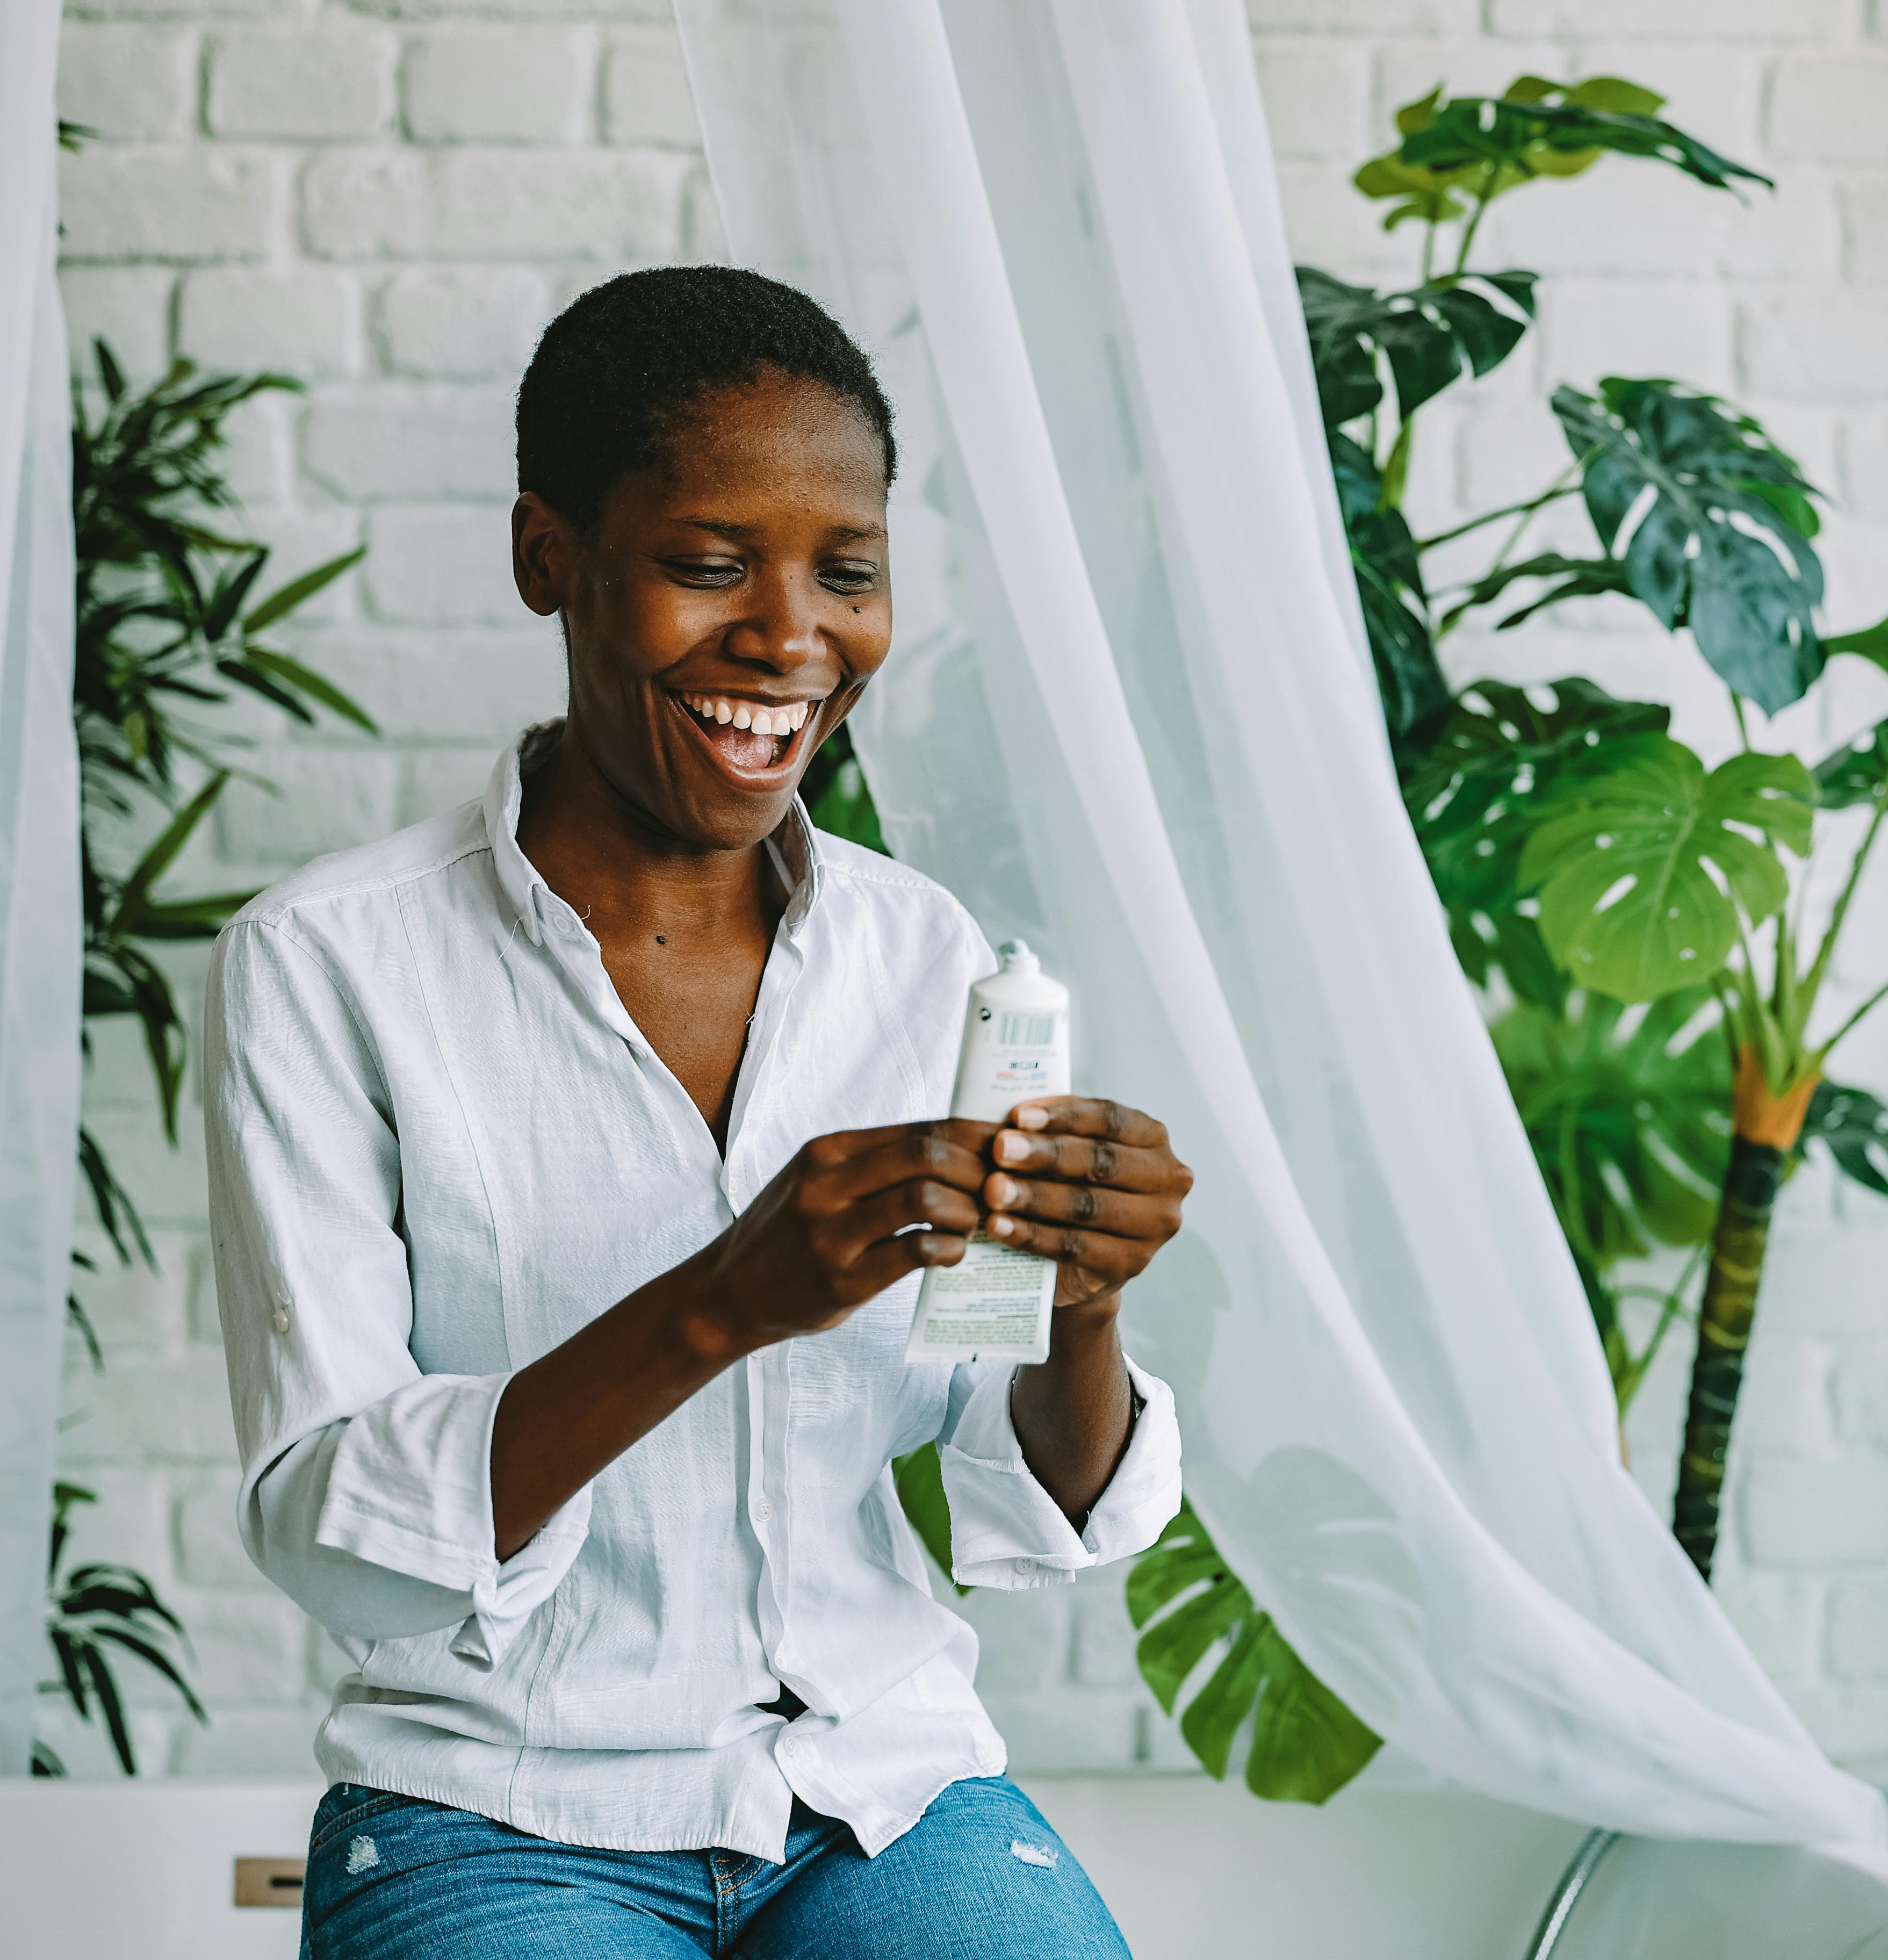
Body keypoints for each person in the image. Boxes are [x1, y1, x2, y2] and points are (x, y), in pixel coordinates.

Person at [204, 266, 1191, 1959]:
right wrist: (721, 1305)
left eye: (848, 573)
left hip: (879, 1792)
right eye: (709, 562)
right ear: (549, 557)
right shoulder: (326, 964)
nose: (791, 639)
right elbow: (330, 1525)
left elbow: (1012, 1480)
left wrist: (1077, 1299)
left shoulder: (925, 953)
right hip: (497, 1806)